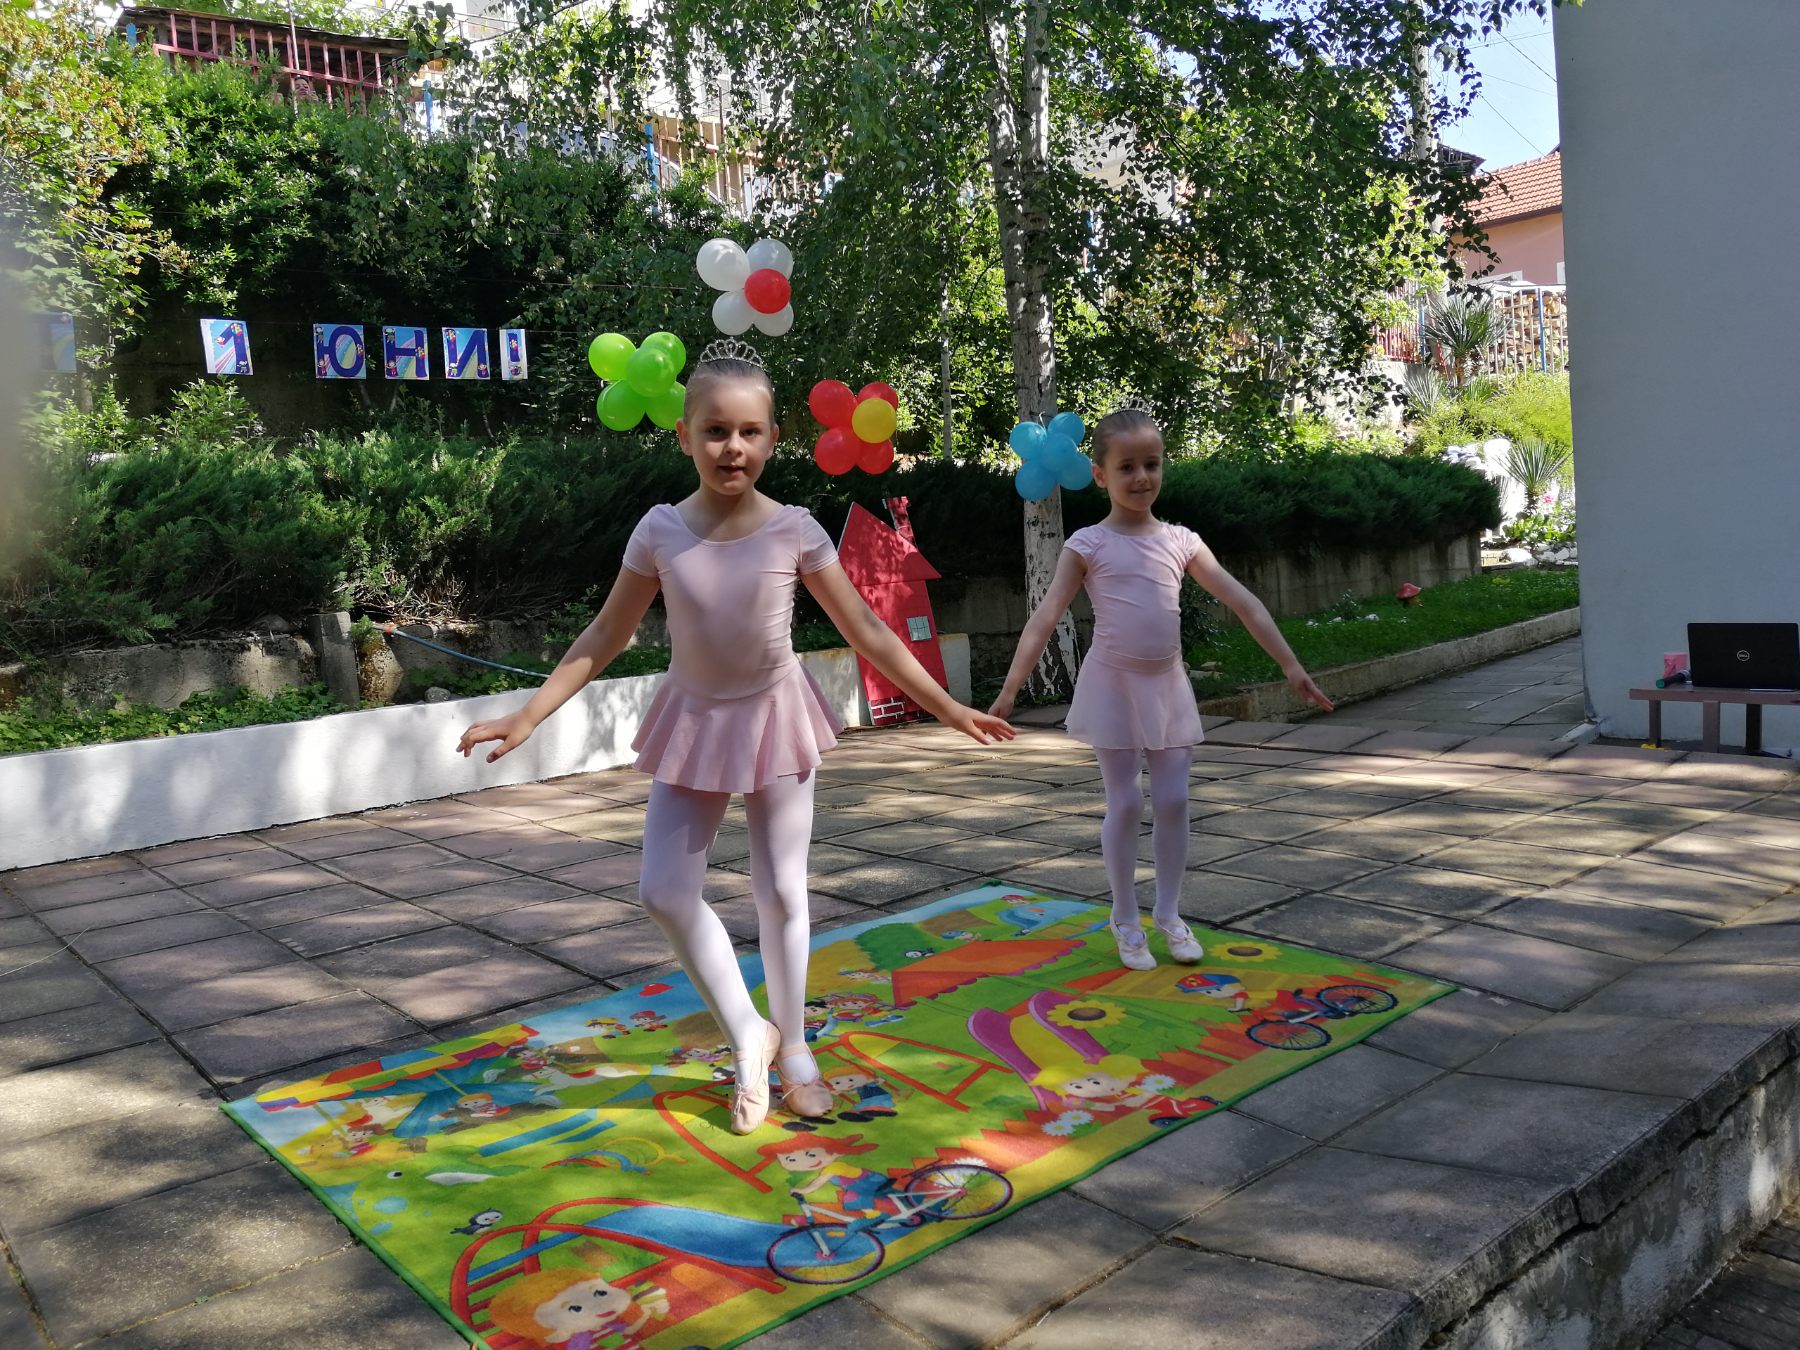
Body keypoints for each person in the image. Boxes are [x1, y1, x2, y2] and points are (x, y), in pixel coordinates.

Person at [457, 340, 1013, 1134]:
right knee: (663, 892)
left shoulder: (795, 529)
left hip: (777, 716)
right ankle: (750, 1032)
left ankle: (797, 1054)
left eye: (750, 432)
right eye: (716, 430)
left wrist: (950, 708)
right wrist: (527, 715)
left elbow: (867, 631)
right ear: (684, 435)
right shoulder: (659, 531)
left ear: (773, 440)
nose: (733, 447)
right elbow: (605, 635)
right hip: (694, 721)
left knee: (782, 890)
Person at [989, 406, 1331, 971]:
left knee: (1173, 800)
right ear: (1100, 475)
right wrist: (1009, 692)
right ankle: (1125, 919)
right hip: (1112, 683)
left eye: (1152, 464)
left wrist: (1291, 667)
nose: (1141, 476)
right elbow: (1045, 617)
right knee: (1126, 802)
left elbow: (1244, 602)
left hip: (1167, 684)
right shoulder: (1088, 544)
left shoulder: (1181, 541)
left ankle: (1169, 914)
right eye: (1127, 467)